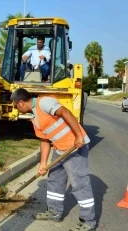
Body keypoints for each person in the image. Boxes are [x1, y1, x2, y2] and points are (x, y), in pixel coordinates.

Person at [10, 88, 96, 231]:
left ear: (20, 102)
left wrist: (78, 136)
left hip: (74, 147)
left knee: (79, 184)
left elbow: (65, 113)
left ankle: (88, 221)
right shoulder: (34, 116)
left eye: (14, 105)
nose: (15, 108)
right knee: (55, 180)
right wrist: (43, 163)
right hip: (59, 149)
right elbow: (45, 140)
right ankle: (54, 212)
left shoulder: (44, 102)